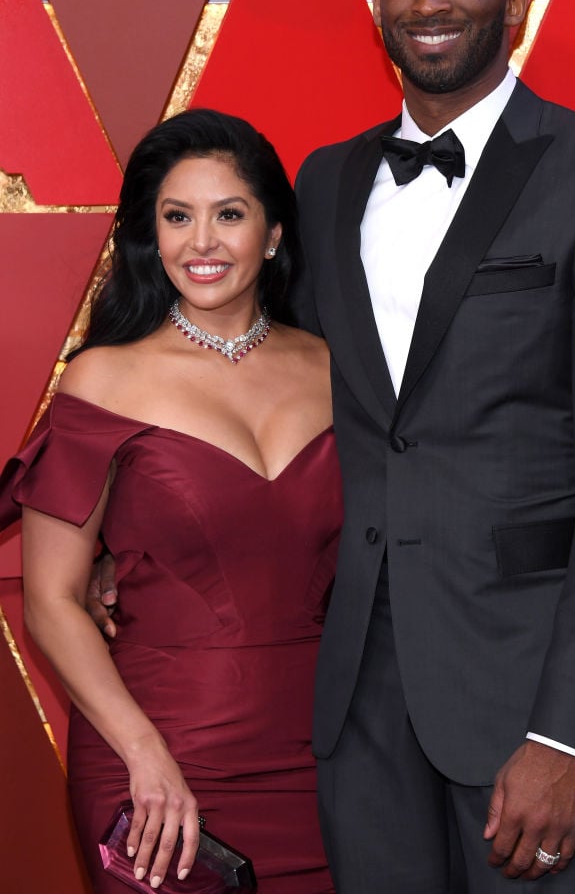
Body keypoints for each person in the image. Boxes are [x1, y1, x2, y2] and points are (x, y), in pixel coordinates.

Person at [292, 0, 575, 894]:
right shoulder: (325, 183)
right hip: (360, 703)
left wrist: (566, 734)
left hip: (531, 695)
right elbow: (285, 407)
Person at [0, 109, 341, 893]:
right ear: (152, 235)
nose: (203, 243)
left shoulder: (335, 371)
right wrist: (143, 755)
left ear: (275, 233)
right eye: (177, 217)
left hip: (323, 759)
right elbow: (52, 600)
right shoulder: (103, 380)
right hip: (156, 762)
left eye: (230, 214)